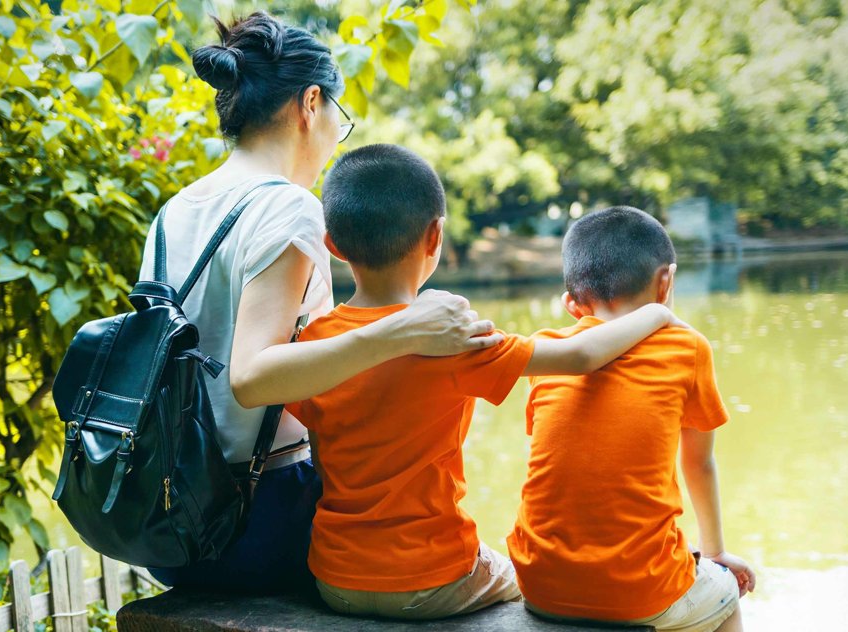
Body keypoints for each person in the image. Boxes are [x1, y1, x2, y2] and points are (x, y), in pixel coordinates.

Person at [137, 13, 503, 593]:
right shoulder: (289, 206)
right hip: (259, 521)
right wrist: (406, 328)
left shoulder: (176, 209)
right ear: (312, 103)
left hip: (168, 524)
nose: (337, 134)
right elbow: (253, 379)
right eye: (341, 118)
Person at [284, 145, 684, 620]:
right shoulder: (452, 337)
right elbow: (580, 356)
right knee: (521, 583)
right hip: (432, 576)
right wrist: (658, 312)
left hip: (335, 578)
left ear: (332, 245)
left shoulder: (316, 343)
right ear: (435, 236)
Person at [507, 206, 757, 631]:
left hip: (540, 584)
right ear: (666, 282)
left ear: (571, 304)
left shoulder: (545, 352)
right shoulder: (686, 347)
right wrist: (714, 554)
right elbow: (697, 462)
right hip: (639, 592)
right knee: (726, 596)